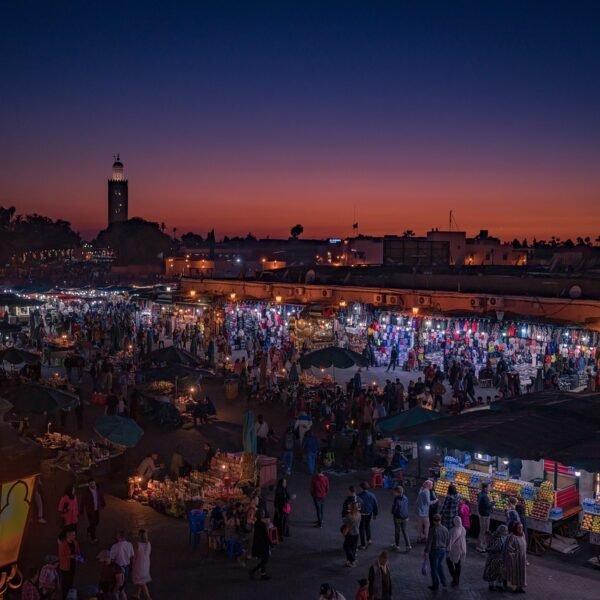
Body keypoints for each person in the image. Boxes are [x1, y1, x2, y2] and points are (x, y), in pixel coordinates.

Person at [424, 513, 449, 591]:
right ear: (440, 520)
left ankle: (435, 585)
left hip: (435, 550)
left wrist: (426, 551)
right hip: (443, 550)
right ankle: (444, 582)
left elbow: (429, 541)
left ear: (433, 520)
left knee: (434, 568)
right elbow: (448, 540)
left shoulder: (433, 529)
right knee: (440, 566)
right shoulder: (445, 529)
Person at [483, 525, 508, 591]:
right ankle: (491, 585)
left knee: (499, 573)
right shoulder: (497, 537)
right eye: (505, 530)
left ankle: (498, 585)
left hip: (499, 558)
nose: (506, 532)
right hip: (494, 558)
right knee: (492, 572)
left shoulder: (502, 537)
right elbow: (496, 547)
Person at [80, 478, 105, 544]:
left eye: (93, 483)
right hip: (90, 510)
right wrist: (81, 510)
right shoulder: (86, 491)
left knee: (97, 522)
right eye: (90, 483)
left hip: (96, 509)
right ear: (89, 484)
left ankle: (89, 529)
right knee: (93, 523)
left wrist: (103, 503)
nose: (92, 484)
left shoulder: (98, 489)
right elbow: (82, 501)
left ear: (94, 482)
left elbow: (101, 496)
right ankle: (93, 539)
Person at [248, 509, 271, 580]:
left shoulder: (257, 523)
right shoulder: (262, 525)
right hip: (263, 544)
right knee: (265, 559)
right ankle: (253, 571)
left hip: (258, 544)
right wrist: (271, 544)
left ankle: (263, 574)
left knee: (263, 558)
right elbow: (265, 536)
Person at [504, 522, 527, 593]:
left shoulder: (523, 535)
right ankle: (514, 586)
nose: (520, 529)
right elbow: (508, 547)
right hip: (516, 558)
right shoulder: (512, 536)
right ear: (515, 528)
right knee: (515, 573)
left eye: (521, 527)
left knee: (522, 573)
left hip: (522, 558)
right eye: (519, 528)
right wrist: (514, 553)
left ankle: (520, 587)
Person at [58, 530, 80, 599]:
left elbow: (77, 552)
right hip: (65, 567)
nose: (74, 536)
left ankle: (69, 596)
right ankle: (64, 597)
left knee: (70, 581)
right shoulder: (62, 545)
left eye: (74, 535)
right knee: (65, 584)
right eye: (73, 535)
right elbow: (61, 557)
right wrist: (70, 556)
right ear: (69, 536)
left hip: (72, 565)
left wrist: (78, 556)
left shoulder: (75, 543)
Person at [446, 515, 467, 587]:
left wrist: (448, 549)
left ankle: (454, 578)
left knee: (449, 562)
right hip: (462, 549)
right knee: (458, 565)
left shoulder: (453, 530)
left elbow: (451, 541)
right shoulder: (463, 528)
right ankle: (457, 579)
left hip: (455, 550)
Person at [132, 529, 152, 600]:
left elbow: (134, 555)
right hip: (146, 564)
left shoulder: (137, 544)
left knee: (142, 582)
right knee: (141, 580)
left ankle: (148, 597)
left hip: (138, 565)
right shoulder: (148, 544)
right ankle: (137, 594)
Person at [357, 481, 378, 549]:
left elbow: (357, 507)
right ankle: (369, 540)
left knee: (361, 529)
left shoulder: (359, 497)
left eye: (359, 487)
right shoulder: (372, 495)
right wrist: (375, 514)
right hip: (369, 514)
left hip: (362, 514)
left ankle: (363, 544)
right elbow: (375, 505)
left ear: (362, 488)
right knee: (368, 525)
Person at [391, 485, 411, 552]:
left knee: (397, 531)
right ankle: (408, 545)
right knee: (405, 531)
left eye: (395, 492)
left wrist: (393, 513)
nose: (394, 493)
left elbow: (394, 509)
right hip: (405, 517)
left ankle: (397, 545)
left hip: (398, 518)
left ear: (398, 492)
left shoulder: (396, 499)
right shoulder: (406, 498)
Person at [476, 483, 495, 552]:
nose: (490, 488)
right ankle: (480, 546)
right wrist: (495, 501)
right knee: (483, 531)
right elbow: (487, 506)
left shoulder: (483, 494)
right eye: (489, 487)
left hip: (484, 514)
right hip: (484, 515)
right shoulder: (484, 496)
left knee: (484, 531)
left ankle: (482, 545)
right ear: (485, 488)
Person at [341, 502, 361, 567]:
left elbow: (344, 521)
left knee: (346, 547)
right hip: (357, 533)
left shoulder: (349, 516)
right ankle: (349, 561)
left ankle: (353, 560)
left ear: (352, 508)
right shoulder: (359, 514)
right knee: (353, 548)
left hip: (350, 534)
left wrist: (347, 513)